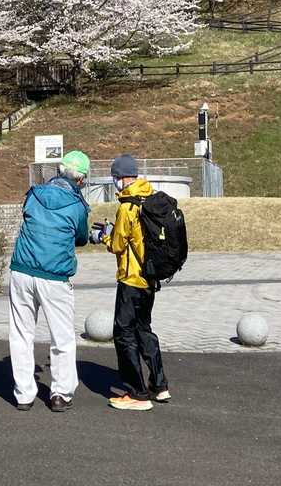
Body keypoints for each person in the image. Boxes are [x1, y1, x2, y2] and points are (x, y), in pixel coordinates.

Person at [7, 149, 91, 411]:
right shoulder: (77, 206)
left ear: (58, 171)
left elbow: (28, 218)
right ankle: (60, 394)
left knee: (21, 333)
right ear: (81, 180)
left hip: (22, 270)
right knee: (62, 337)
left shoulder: (34, 194)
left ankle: (23, 394)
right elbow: (81, 238)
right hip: (54, 276)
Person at [101, 153, 168, 412]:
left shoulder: (127, 207)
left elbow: (118, 245)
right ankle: (159, 384)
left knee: (124, 333)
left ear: (120, 177)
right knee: (144, 329)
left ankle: (136, 393)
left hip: (131, 279)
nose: (114, 181)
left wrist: (103, 236)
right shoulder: (150, 198)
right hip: (150, 278)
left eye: (115, 177)